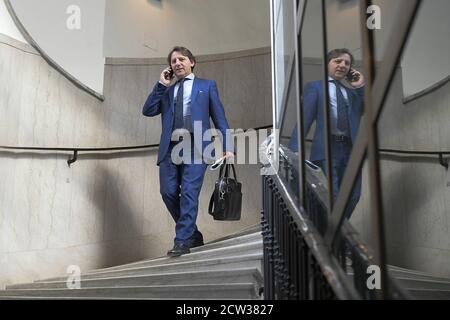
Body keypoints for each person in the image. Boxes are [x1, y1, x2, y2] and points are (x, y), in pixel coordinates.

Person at [142, 46, 234, 257]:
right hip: (170, 148)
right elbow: (147, 110)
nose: (177, 63)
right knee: (168, 193)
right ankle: (193, 234)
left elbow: (220, 118)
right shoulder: (167, 90)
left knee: (189, 194)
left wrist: (228, 147)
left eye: (181, 59)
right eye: (173, 61)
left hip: (196, 147)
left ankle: (182, 241)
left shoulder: (207, 86)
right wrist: (161, 85)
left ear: (192, 62)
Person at [289, 48, 365, 219]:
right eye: (337, 61)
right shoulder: (315, 87)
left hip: (350, 148)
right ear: (328, 64)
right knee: (336, 195)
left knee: (354, 196)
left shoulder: (352, 93)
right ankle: (334, 236)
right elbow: (305, 119)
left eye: (346, 63)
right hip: (328, 147)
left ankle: (335, 231)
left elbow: (364, 109)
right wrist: (294, 147)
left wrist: (360, 86)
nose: (342, 65)